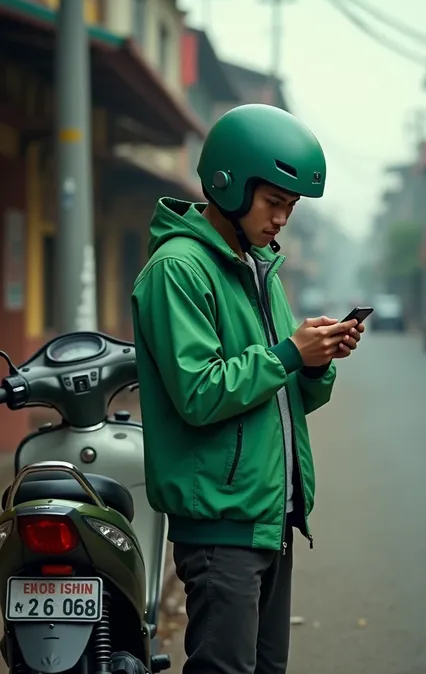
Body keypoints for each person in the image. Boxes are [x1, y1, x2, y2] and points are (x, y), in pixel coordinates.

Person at [131, 103, 365, 674]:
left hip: (269, 517)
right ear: (229, 185)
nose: (283, 218)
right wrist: (289, 352)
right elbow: (200, 392)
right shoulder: (178, 270)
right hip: (220, 522)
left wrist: (314, 361)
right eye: (274, 202)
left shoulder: (259, 268)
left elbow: (292, 396)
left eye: (291, 207)